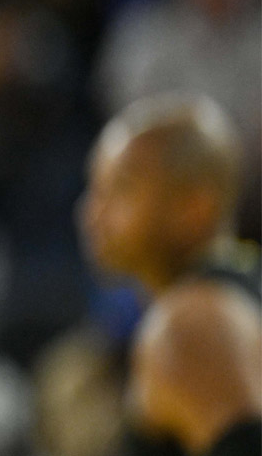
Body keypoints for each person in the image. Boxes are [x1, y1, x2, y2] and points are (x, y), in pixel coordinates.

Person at [78, 94, 262, 456]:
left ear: (194, 207)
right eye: (95, 189)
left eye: (122, 189)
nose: (92, 213)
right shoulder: (234, 292)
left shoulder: (190, 324)